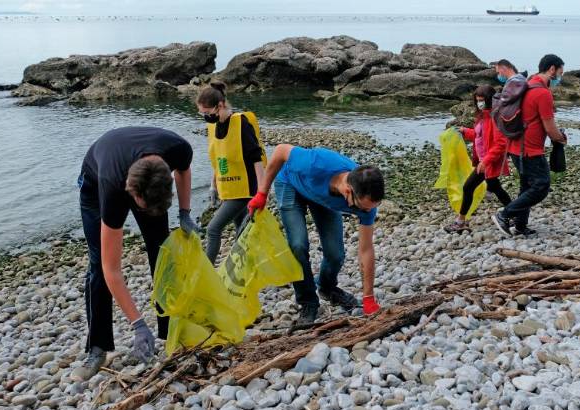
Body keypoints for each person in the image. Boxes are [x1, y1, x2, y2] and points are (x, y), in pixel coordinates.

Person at [75, 127, 195, 380]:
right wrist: (137, 324)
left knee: (163, 253)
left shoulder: (179, 148)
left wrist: (184, 212)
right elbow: (112, 269)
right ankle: (97, 348)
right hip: (96, 183)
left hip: (144, 180)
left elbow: (183, 170)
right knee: (98, 265)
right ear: (133, 193)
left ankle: (171, 330)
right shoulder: (111, 187)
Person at [247, 145, 385, 324]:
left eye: (372, 207)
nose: (367, 212)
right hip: (291, 184)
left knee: (335, 254)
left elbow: (366, 250)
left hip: (321, 198)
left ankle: (327, 288)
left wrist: (368, 297)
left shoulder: (367, 205)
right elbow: (280, 151)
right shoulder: (315, 163)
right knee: (298, 245)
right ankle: (308, 302)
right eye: (363, 207)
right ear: (348, 192)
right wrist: (262, 193)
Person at [492, 54, 568, 236]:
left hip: (515, 147)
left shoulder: (528, 83)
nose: (560, 77)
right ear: (552, 69)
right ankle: (504, 214)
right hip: (530, 150)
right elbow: (550, 128)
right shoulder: (542, 93)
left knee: (526, 187)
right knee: (541, 186)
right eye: (560, 72)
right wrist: (561, 138)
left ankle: (520, 226)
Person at [196, 81, 266, 264]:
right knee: (241, 231)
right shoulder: (214, 125)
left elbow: (256, 158)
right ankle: (243, 268)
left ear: (220, 106)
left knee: (213, 229)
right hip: (229, 187)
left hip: (246, 188)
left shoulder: (241, 123)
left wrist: (262, 192)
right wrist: (213, 186)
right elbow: (219, 159)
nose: (204, 116)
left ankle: (206, 273)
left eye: (206, 112)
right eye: (201, 113)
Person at [444, 85, 511, 233]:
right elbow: (479, 135)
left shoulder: (495, 117)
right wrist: (465, 131)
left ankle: (460, 222)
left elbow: (501, 143)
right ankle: (516, 213)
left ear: (489, 100)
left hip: (488, 163)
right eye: (477, 100)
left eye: (482, 100)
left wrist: (486, 161)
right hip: (484, 161)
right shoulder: (482, 116)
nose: (480, 103)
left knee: (468, 187)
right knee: (495, 188)